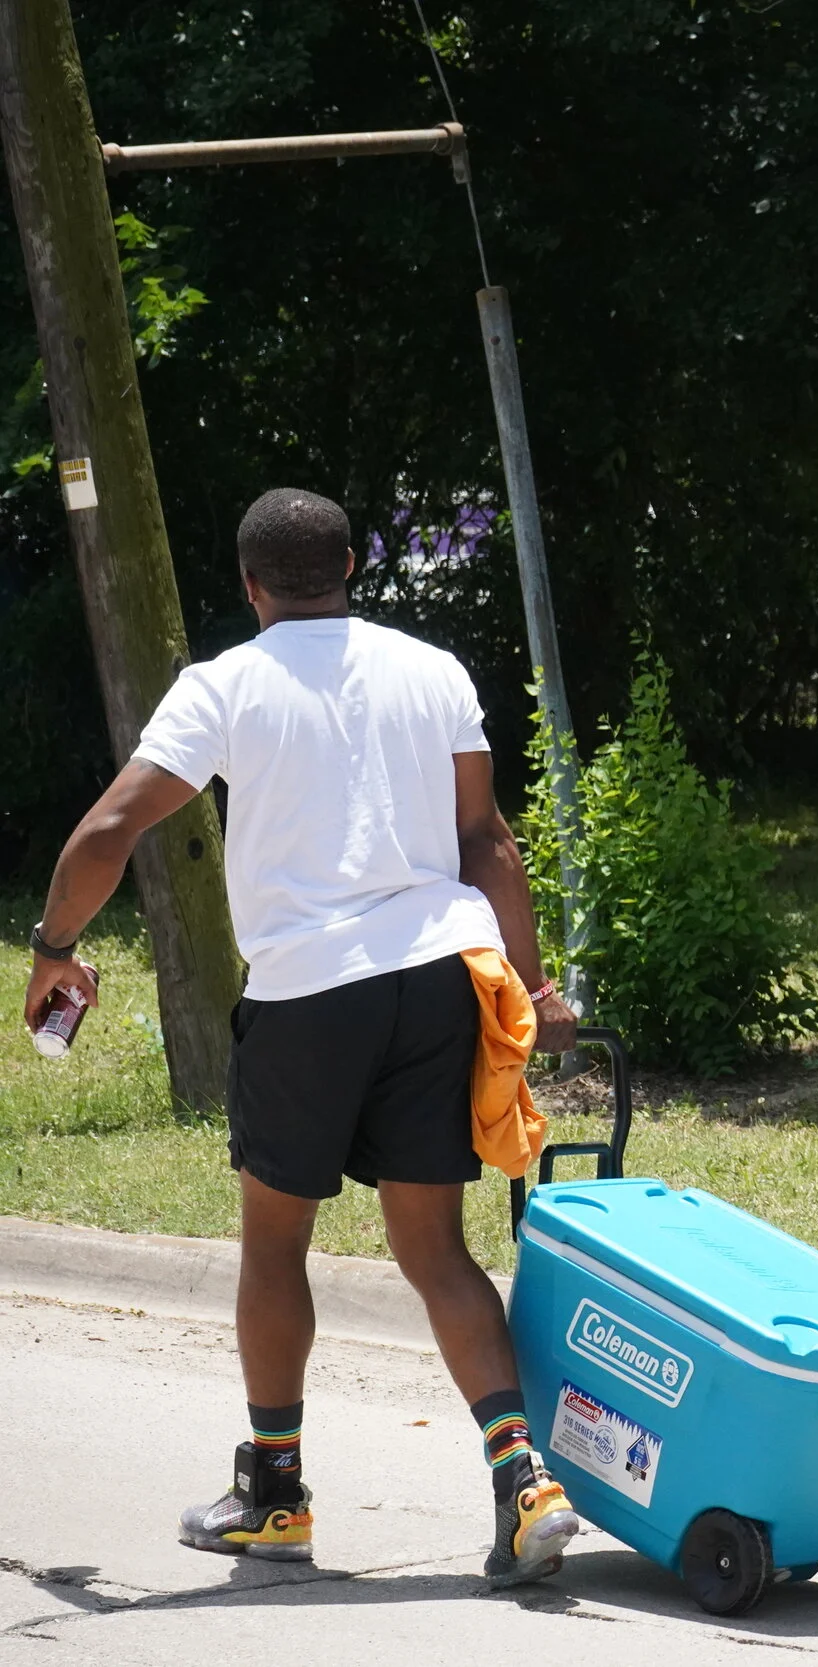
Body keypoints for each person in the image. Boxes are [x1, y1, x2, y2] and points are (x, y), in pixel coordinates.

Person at [20, 488, 583, 1586]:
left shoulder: (226, 685)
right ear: (353, 566)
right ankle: (527, 1482)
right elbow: (486, 839)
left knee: (275, 1242)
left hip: (312, 994)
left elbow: (111, 826)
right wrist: (533, 985)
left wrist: (53, 945)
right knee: (434, 1247)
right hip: (439, 978)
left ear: (249, 583)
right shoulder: (434, 671)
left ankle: (273, 1496)